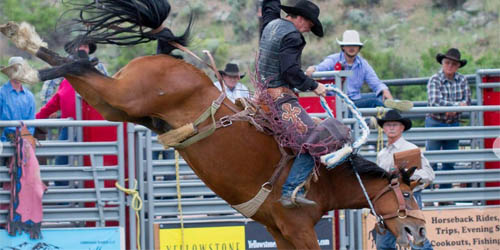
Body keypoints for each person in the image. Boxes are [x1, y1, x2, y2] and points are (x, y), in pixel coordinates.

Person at [258, 0, 327, 208]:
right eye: (309, 25)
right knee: (315, 140)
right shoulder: (294, 37)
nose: (308, 29)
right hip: (280, 98)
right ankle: (290, 191)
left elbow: (270, 6)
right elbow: (289, 71)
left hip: (262, 94)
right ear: (301, 19)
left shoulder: (270, 23)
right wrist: (313, 85)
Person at [36, 38, 108, 185]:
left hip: (92, 124)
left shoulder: (97, 66)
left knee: (94, 157)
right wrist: (49, 113)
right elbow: (50, 87)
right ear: (73, 48)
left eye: (86, 46)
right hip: (70, 122)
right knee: (63, 155)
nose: (83, 49)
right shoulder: (65, 65)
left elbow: (108, 87)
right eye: (81, 46)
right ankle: (63, 192)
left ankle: (92, 191)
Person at [305, 30, 412, 111]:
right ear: (343, 47)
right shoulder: (334, 59)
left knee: (378, 95)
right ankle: (386, 109)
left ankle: (391, 105)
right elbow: (321, 67)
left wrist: (384, 90)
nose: (352, 48)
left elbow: (374, 81)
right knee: (374, 101)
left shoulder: (363, 64)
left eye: (355, 46)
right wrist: (313, 68)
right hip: (335, 100)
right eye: (348, 45)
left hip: (354, 100)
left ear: (359, 48)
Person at [375, 110, 434, 250]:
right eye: (388, 125)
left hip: (409, 198)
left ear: (402, 128)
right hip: (388, 201)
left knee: (417, 241)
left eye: (395, 125)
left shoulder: (410, 149)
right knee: (383, 244)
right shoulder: (382, 154)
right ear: (383, 128)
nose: (391, 128)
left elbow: (429, 174)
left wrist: (407, 175)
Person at [425, 48, 470, 189]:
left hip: (453, 123)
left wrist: (450, 108)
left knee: (449, 161)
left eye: (453, 64)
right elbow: (434, 102)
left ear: (458, 66)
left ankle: (445, 193)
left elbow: (467, 102)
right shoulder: (434, 79)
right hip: (435, 122)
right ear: (442, 63)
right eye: (447, 62)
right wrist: (456, 107)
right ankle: (429, 195)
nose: (450, 66)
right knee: (430, 161)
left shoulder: (463, 80)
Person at [0, 57, 36, 143]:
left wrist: (25, 139)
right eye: (17, 70)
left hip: (24, 142)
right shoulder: (1, 93)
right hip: (4, 141)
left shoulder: (29, 96)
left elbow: (31, 124)